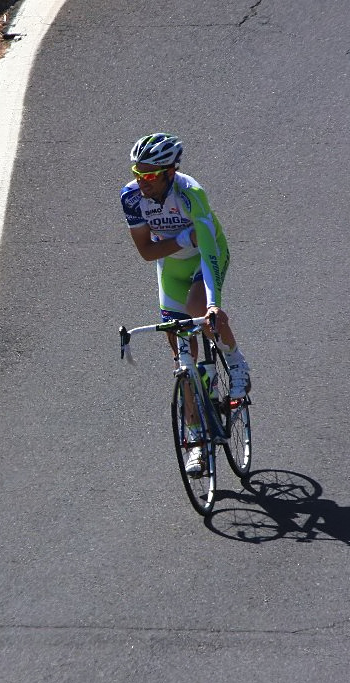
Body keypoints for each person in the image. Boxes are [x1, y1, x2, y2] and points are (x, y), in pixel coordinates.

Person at [120, 132, 251, 474]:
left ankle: (236, 363)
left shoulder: (191, 194)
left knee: (198, 308)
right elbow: (147, 252)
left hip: (207, 259)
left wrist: (214, 304)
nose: (142, 181)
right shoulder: (132, 198)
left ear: (169, 172)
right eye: (138, 173)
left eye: (149, 175)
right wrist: (181, 238)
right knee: (183, 359)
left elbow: (208, 252)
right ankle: (195, 440)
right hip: (172, 270)